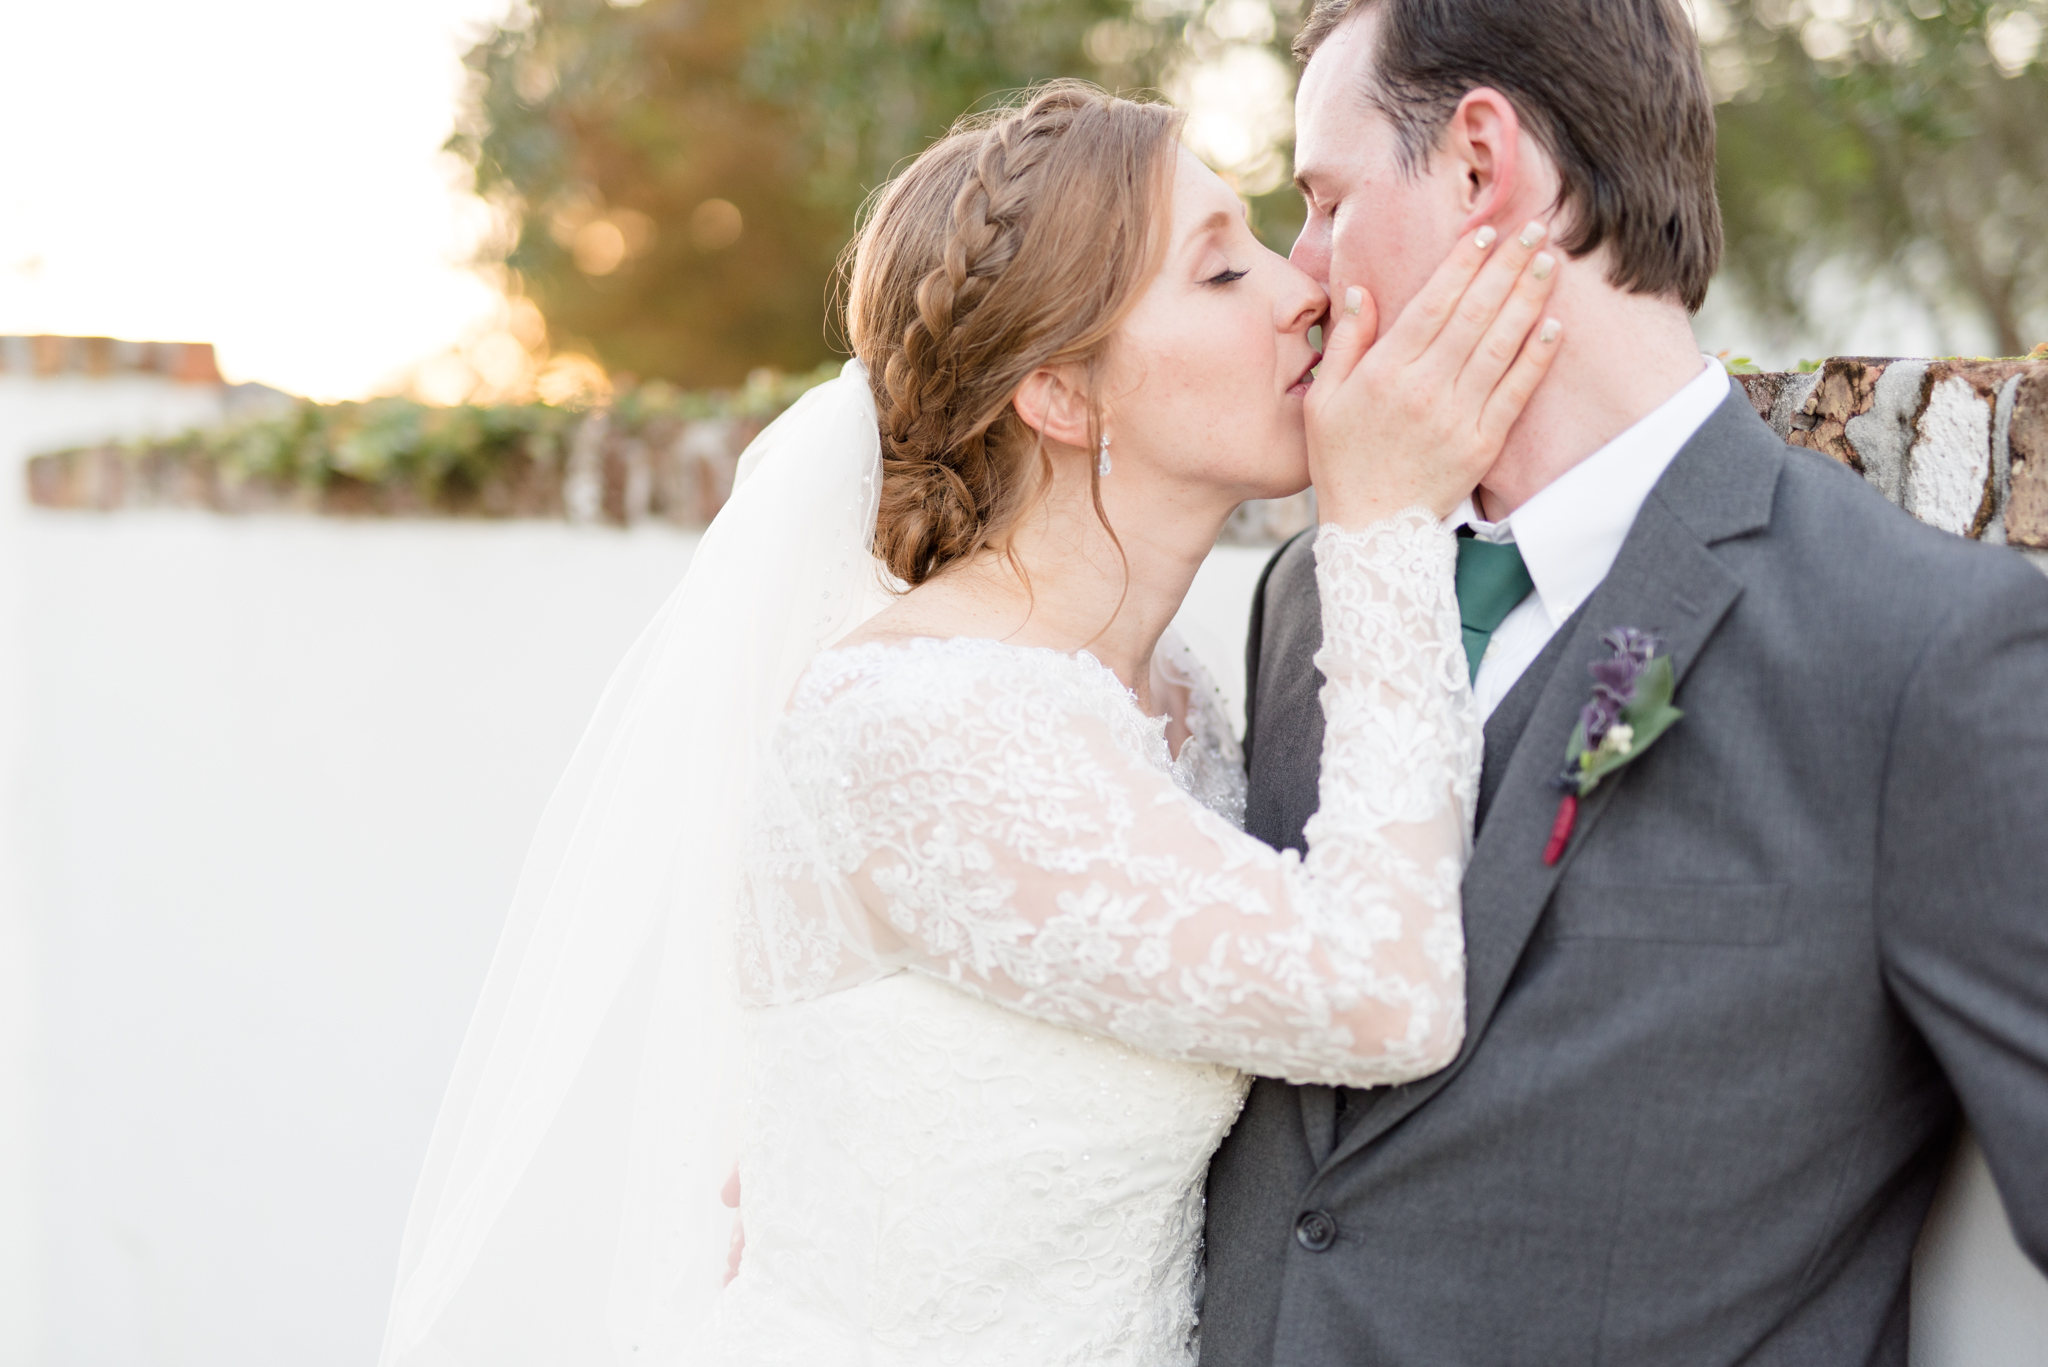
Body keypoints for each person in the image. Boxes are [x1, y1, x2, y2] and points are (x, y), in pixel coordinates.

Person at [377, 82, 1561, 1364]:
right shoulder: (922, 725)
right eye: (1219, 271)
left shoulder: (1175, 700)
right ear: (1058, 393)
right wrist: (1382, 527)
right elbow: (1380, 995)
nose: (1301, 291)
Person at [1202, 3, 2048, 1364]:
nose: (1302, 273)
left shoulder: (1920, 655)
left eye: (1324, 200)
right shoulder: (1314, 591)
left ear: (1483, 163)